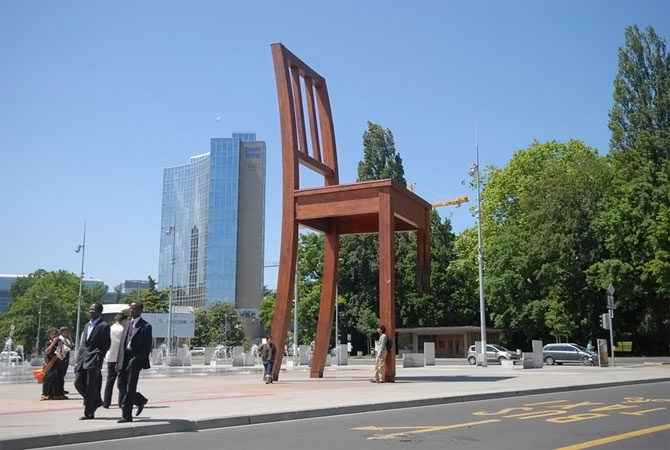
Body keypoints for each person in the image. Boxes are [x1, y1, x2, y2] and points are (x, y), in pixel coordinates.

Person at [117, 301, 152, 423]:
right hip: (124, 357)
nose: (131, 310)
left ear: (140, 310)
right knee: (121, 385)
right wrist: (118, 360)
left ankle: (126, 415)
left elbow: (147, 347)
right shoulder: (127, 324)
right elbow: (122, 343)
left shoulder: (145, 326)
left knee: (130, 386)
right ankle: (139, 400)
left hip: (135, 358)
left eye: (134, 308)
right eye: (130, 308)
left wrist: (137, 360)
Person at [74, 303, 111, 420]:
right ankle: (95, 400)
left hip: (94, 359)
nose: (90, 311)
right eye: (90, 309)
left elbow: (106, 344)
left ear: (99, 312)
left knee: (91, 386)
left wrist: (99, 356)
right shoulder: (87, 325)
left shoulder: (104, 326)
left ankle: (89, 412)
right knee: (78, 382)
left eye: (93, 310)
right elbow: (83, 344)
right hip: (83, 358)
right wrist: (78, 359)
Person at [103, 312, 127, 408]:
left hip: (110, 357)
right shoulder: (123, 330)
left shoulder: (110, 328)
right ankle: (121, 402)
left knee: (110, 381)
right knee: (121, 382)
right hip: (120, 358)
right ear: (123, 320)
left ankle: (106, 402)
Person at [41, 329, 67, 400]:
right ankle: (47, 394)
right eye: (52, 334)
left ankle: (58, 394)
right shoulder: (48, 343)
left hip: (58, 364)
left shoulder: (60, 343)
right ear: (50, 336)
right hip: (49, 364)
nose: (54, 335)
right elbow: (47, 352)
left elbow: (63, 353)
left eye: (55, 334)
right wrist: (53, 343)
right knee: (49, 379)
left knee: (58, 379)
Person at [56, 327, 74, 396]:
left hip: (66, 358)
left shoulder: (66, 339)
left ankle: (61, 388)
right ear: (62, 332)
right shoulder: (60, 339)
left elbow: (71, 346)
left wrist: (70, 338)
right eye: (66, 332)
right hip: (61, 358)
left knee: (63, 374)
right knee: (61, 374)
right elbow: (63, 348)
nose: (67, 333)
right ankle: (59, 389)